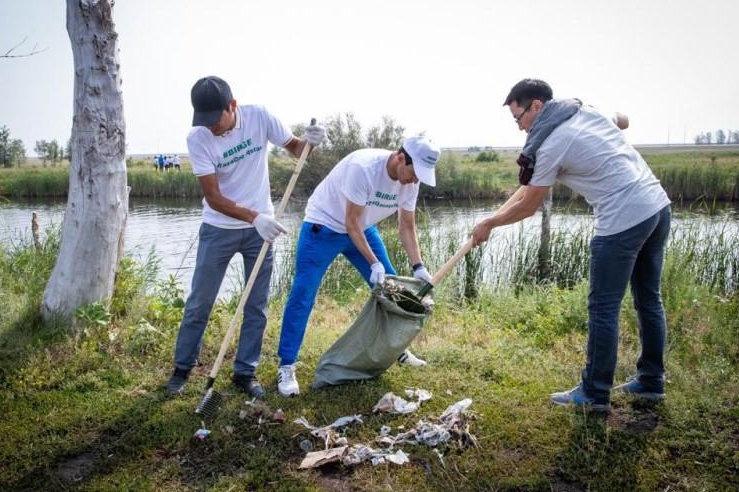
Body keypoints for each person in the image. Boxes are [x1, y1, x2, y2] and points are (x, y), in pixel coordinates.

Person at [470, 78, 671, 411]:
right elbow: (624, 120)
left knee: (603, 308)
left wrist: (490, 223)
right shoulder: (584, 111)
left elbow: (529, 204)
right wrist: (490, 220)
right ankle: (651, 382)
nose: (519, 128)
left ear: (536, 105)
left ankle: (594, 393)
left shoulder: (551, 144)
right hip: (657, 207)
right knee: (649, 300)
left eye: (519, 118)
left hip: (622, 219)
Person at [167, 75, 325, 398]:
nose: (212, 128)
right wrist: (255, 218)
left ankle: (245, 373)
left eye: (216, 120)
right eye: (205, 121)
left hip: (259, 233)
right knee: (200, 301)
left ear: (233, 106)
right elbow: (214, 198)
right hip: (219, 229)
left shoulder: (259, 117)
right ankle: (182, 368)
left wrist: (311, 141)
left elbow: (296, 149)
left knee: (257, 304)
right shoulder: (198, 138)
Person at [275, 136, 441, 396]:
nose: (415, 180)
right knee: (303, 295)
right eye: (415, 173)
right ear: (400, 158)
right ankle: (286, 365)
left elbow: (406, 225)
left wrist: (418, 265)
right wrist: (373, 263)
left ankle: (395, 349)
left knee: (392, 289)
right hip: (324, 226)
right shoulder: (363, 168)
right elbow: (349, 221)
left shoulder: (410, 182)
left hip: (362, 229)